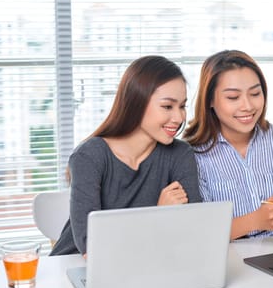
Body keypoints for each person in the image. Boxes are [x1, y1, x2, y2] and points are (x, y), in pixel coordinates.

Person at [51, 55, 202, 256]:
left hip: (147, 263)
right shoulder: (90, 156)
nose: (179, 117)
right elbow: (92, 247)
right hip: (74, 266)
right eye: (167, 106)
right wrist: (159, 215)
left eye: (182, 106)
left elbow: (194, 230)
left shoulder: (180, 154)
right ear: (136, 103)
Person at [184, 50, 273, 240]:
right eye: (233, 97)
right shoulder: (193, 154)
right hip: (229, 257)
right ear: (209, 100)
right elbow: (203, 232)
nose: (248, 106)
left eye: (255, 93)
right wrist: (256, 220)